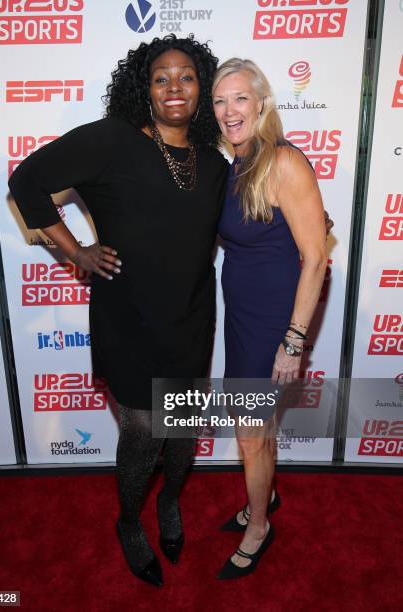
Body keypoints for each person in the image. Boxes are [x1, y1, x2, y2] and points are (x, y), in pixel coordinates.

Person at [8, 35, 229, 587]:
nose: (174, 86)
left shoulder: (214, 161)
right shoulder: (110, 141)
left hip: (192, 315)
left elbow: (238, 223)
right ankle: (130, 522)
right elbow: (26, 182)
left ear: (202, 88)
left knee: (183, 431)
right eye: (161, 77)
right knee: (142, 430)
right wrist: (76, 250)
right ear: (143, 88)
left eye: (187, 76)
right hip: (128, 316)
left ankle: (170, 501)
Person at [212, 58, 328, 579]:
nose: (229, 110)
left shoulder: (283, 161)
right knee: (256, 427)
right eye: (219, 100)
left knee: (251, 432)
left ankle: (259, 526)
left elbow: (317, 256)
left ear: (261, 103)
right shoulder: (238, 162)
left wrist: (294, 339)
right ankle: (267, 495)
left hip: (273, 324)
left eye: (239, 98)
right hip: (241, 317)